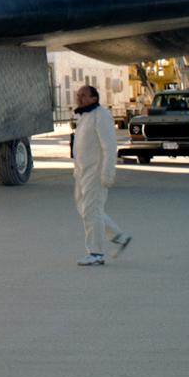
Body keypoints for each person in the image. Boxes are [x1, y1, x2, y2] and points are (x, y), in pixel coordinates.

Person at [71, 83, 130, 265]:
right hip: (82, 172)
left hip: (96, 172)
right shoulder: (84, 116)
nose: (79, 98)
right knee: (85, 208)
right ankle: (118, 237)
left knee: (91, 210)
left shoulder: (101, 116)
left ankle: (96, 253)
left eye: (84, 95)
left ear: (94, 98)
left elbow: (109, 147)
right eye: (78, 95)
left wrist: (107, 173)